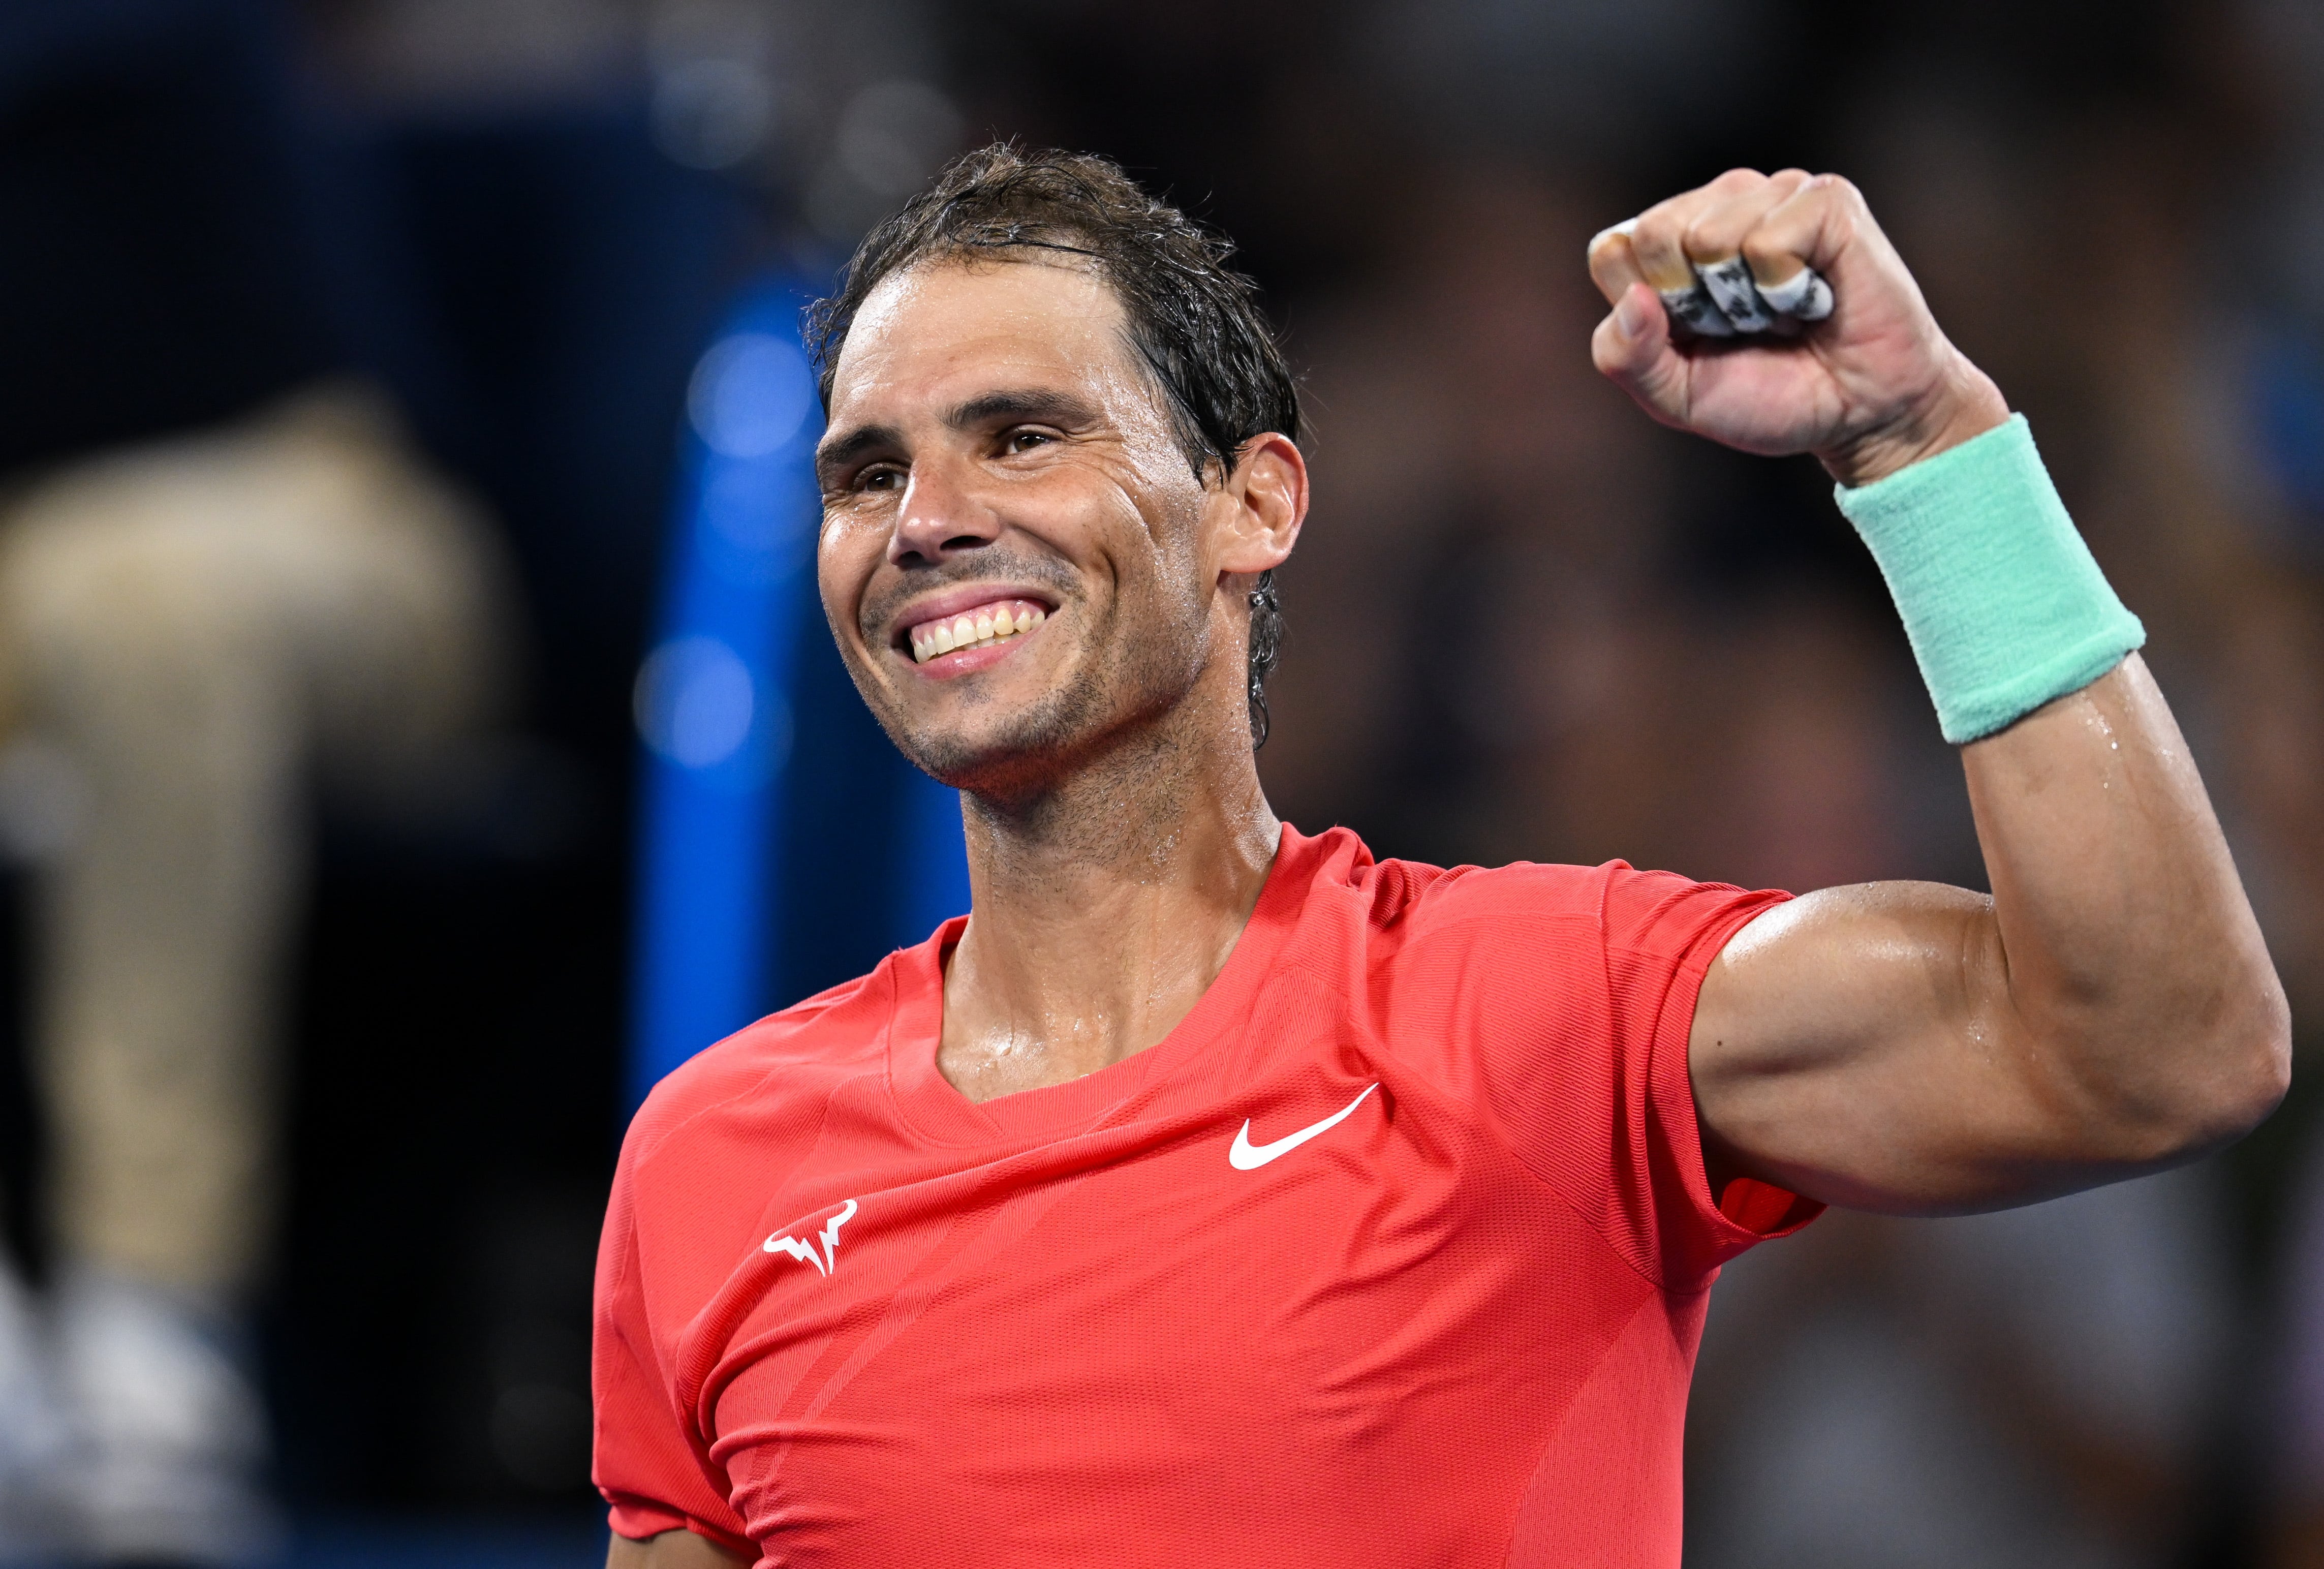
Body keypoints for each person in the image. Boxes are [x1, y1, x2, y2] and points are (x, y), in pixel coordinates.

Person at [591, 146, 2288, 1567]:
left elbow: (2162, 1045)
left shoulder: (1549, 1012)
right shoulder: (711, 1162)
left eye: (1023, 434)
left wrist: (1925, 448)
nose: (924, 519)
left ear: (1254, 504)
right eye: (866, 469)